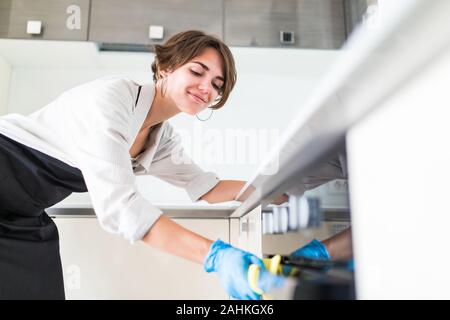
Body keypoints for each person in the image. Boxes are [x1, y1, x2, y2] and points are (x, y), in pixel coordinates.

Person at [0, 30, 283, 300]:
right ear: (165, 67)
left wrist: (270, 190)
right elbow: (121, 207)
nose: (206, 87)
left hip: (23, 211)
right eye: (197, 72)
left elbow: (207, 187)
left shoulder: (161, 138)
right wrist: (217, 256)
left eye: (217, 85)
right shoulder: (112, 100)